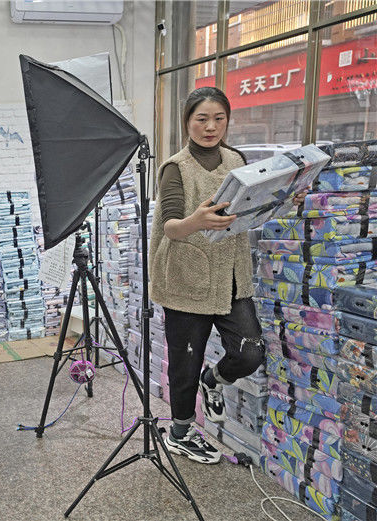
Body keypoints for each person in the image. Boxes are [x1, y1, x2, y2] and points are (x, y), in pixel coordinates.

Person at [149, 87, 268, 465]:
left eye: (219, 118)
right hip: (187, 278)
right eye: (201, 119)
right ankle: (180, 433)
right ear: (187, 122)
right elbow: (170, 226)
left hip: (231, 275)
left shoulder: (236, 160)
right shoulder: (176, 168)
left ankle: (214, 380)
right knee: (185, 363)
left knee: (250, 352)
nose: (211, 127)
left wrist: (281, 198)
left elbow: (250, 208)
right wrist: (196, 221)